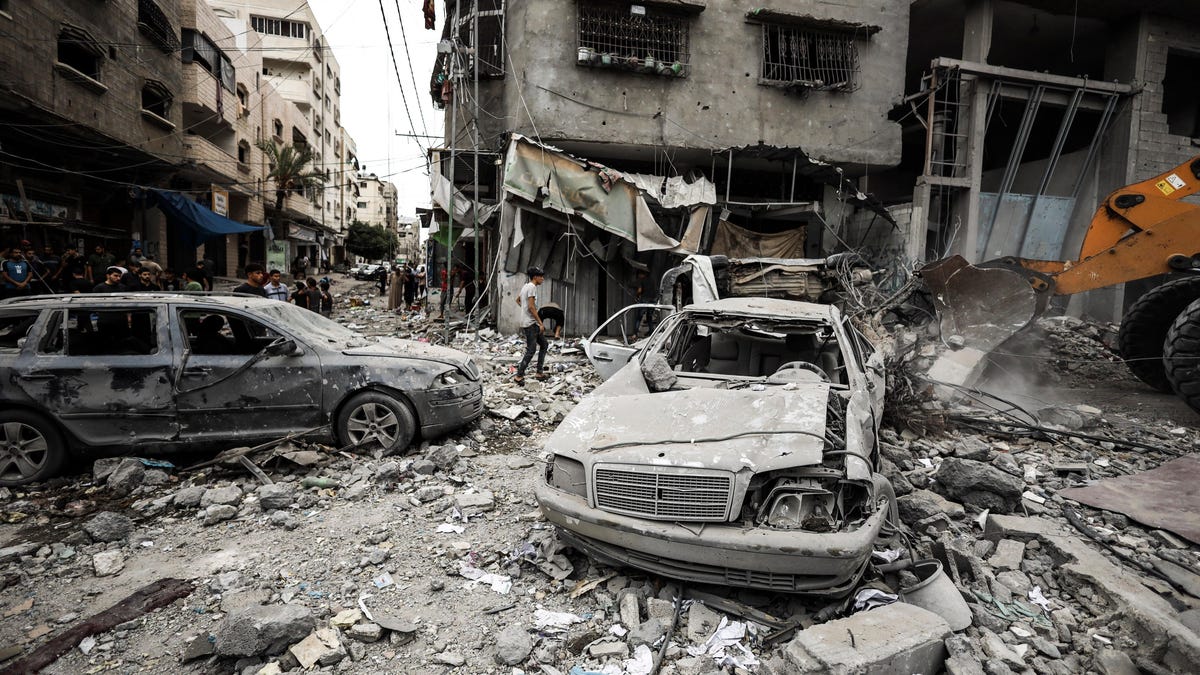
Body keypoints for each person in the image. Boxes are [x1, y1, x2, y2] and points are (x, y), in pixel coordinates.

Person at [515, 266, 549, 384]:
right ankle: (519, 376)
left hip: (528, 321)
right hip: (530, 323)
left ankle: (539, 372)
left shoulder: (526, 286)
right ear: (535, 277)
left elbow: (518, 300)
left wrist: (525, 311)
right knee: (531, 350)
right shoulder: (532, 287)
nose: (543, 279)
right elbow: (531, 306)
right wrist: (540, 323)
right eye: (541, 277)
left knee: (544, 344)